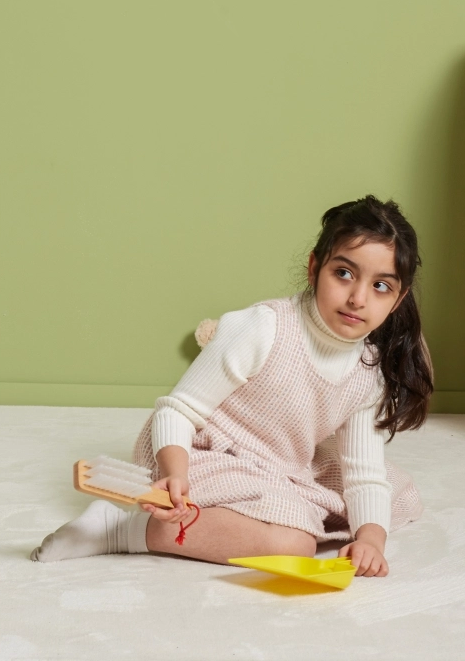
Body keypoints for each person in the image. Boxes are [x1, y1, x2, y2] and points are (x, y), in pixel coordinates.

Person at [32, 195, 433, 577]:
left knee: (394, 495)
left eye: (380, 286)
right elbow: (178, 410)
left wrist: (370, 542)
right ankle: (122, 529)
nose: (358, 298)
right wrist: (175, 472)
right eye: (343, 273)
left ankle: (251, 519)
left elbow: (363, 473)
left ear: (397, 300)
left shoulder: (367, 373)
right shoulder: (264, 328)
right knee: (296, 544)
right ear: (314, 268)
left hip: (281, 463)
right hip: (201, 451)